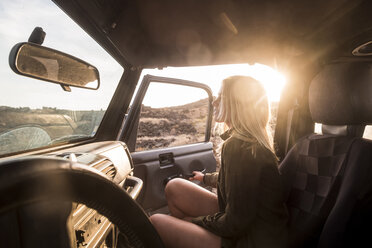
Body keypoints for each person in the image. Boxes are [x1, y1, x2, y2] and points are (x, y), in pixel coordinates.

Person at [150, 76, 288, 248]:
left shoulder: (239, 147)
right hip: (249, 224)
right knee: (175, 187)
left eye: (221, 96)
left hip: (251, 239)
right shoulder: (245, 143)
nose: (214, 102)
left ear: (237, 104)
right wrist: (204, 178)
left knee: (156, 222)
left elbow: (235, 223)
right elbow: (235, 181)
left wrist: (195, 222)